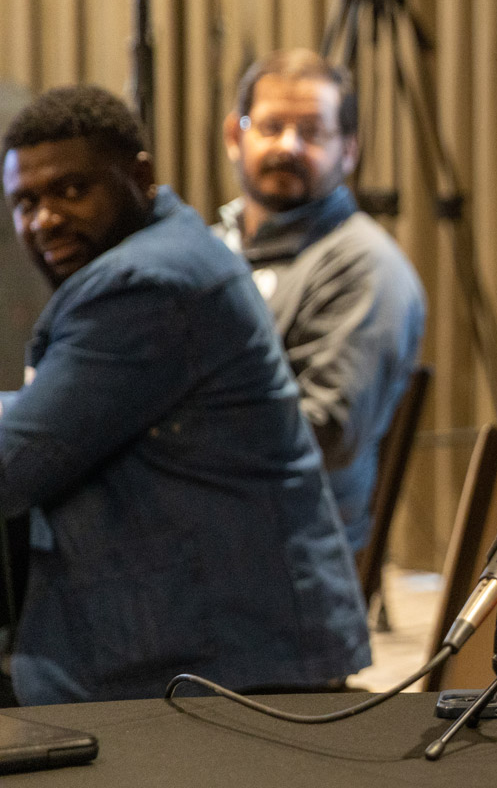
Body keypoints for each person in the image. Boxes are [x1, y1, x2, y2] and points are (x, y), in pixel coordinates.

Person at [0, 85, 370, 704]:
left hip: (214, 665)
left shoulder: (143, 283)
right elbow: (46, 418)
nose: (45, 219)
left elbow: (14, 464)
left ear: (139, 175)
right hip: (218, 634)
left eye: (70, 190)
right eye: (25, 201)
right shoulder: (174, 248)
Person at [214, 49, 426, 553]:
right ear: (233, 136)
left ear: (349, 151)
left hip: (288, 553)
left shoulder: (365, 266)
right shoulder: (208, 247)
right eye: (271, 126)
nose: (289, 145)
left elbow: (323, 433)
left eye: (312, 132)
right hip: (210, 528)